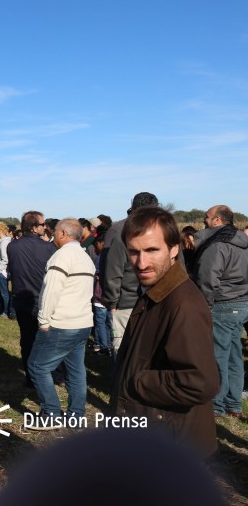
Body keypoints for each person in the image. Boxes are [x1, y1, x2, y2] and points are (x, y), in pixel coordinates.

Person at [110, 207, 219, 457]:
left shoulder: (183, 304)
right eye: (134, 251)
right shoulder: (156, 291)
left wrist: (136, 380)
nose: (141, 262)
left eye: (151, 250)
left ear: (173, 249)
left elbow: (201, 382)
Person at [26, 219, 95, 428]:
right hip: (82, 322)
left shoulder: (62, 256)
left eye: (55, 232)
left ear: (64, 234)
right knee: (76, 370)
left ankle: (51, 413)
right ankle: (76, 414)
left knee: (37, 366)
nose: (52, 235)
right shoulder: (85, 257)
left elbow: (51, 291)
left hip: (61, 323)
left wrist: (44, 320)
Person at [193, 205, 248, 418]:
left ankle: (216, 404)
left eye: (206, 217)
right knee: (234, 352)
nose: (203, 221)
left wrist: (204, 305)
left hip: (224, 303)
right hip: (241, 302)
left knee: (218, 355)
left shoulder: (217, 245)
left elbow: (207, 278)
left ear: (216, 220)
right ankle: (233, 403)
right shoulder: (242, 243)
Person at [102, 191, 159, 354]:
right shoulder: (165, 233)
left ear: (132, 208)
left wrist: (112, 302)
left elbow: (111, 270)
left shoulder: (119, 232)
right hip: (147, 301)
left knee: (124, 351)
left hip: (128, 304)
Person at [7, 210, 56, 387]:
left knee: (27, 340)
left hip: (22, 299)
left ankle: (31, 377)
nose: (45, 227)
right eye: (43, 224)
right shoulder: (49, 248)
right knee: (46, 342)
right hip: (43, 301)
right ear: (34, 228)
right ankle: (47, 376)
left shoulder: (12, 246)